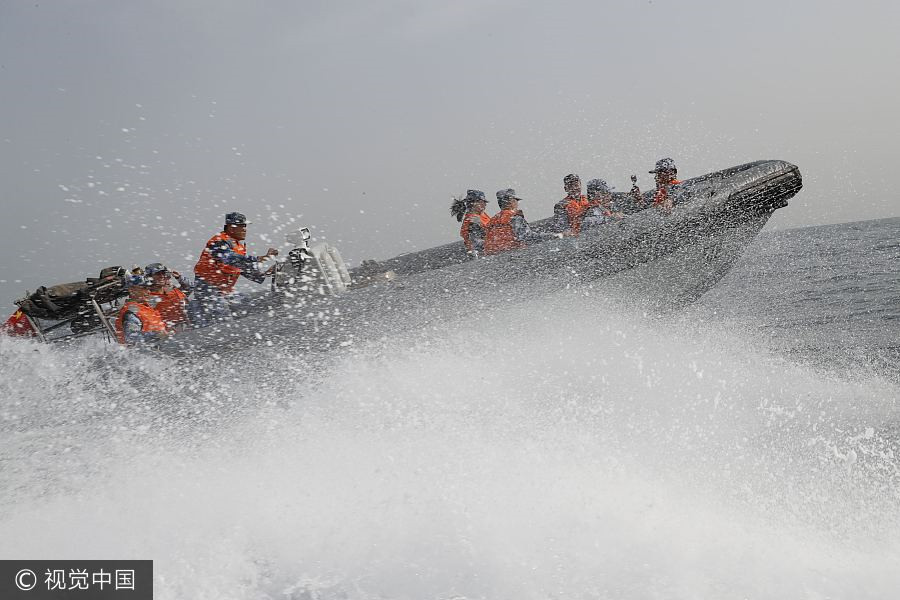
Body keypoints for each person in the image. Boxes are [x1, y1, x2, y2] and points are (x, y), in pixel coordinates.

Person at [188, 212, 279, 327]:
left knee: (248, 305)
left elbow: (243, 268)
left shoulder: (239, 247)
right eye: (242, 226)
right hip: (208, 289)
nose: (245, 229)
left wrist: (266, 274)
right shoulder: (218, 241)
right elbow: (231, 258)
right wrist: (260, 258)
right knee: (223, 317)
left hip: (225, 291)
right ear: (232, 227)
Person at [484, 189, 555, 255]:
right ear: (510, 202)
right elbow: (527, 236)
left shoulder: (492, 221)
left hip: (493, 257)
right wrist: (552, 236)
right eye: (516, 200)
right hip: (512, 255)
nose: (517, 203)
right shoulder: (514, 217)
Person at [114, 273, 170, 346]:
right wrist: (157, 335)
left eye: (148, 288)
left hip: (158, 350)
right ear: (131, 290)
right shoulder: (131, 312)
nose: (148, 292)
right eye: (144, 288)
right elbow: (133, 338)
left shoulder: (146, 307)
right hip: (145, 354)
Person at [145, 262, 191, 329]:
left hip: (185, 328)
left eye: (163, 273)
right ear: (149, 277)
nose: (162, 276)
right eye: (158, 274)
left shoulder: (173, 290)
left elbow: (190, 288)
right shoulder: (148, 298)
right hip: (168, 334)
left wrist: (179, 278)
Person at [450, 189, 491, 255]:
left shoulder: (482, 215)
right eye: (482, 202)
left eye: (485, 202)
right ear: (473, 204)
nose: (485, 204)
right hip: (480, 253)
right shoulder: (472, 220)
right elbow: (477, 242)